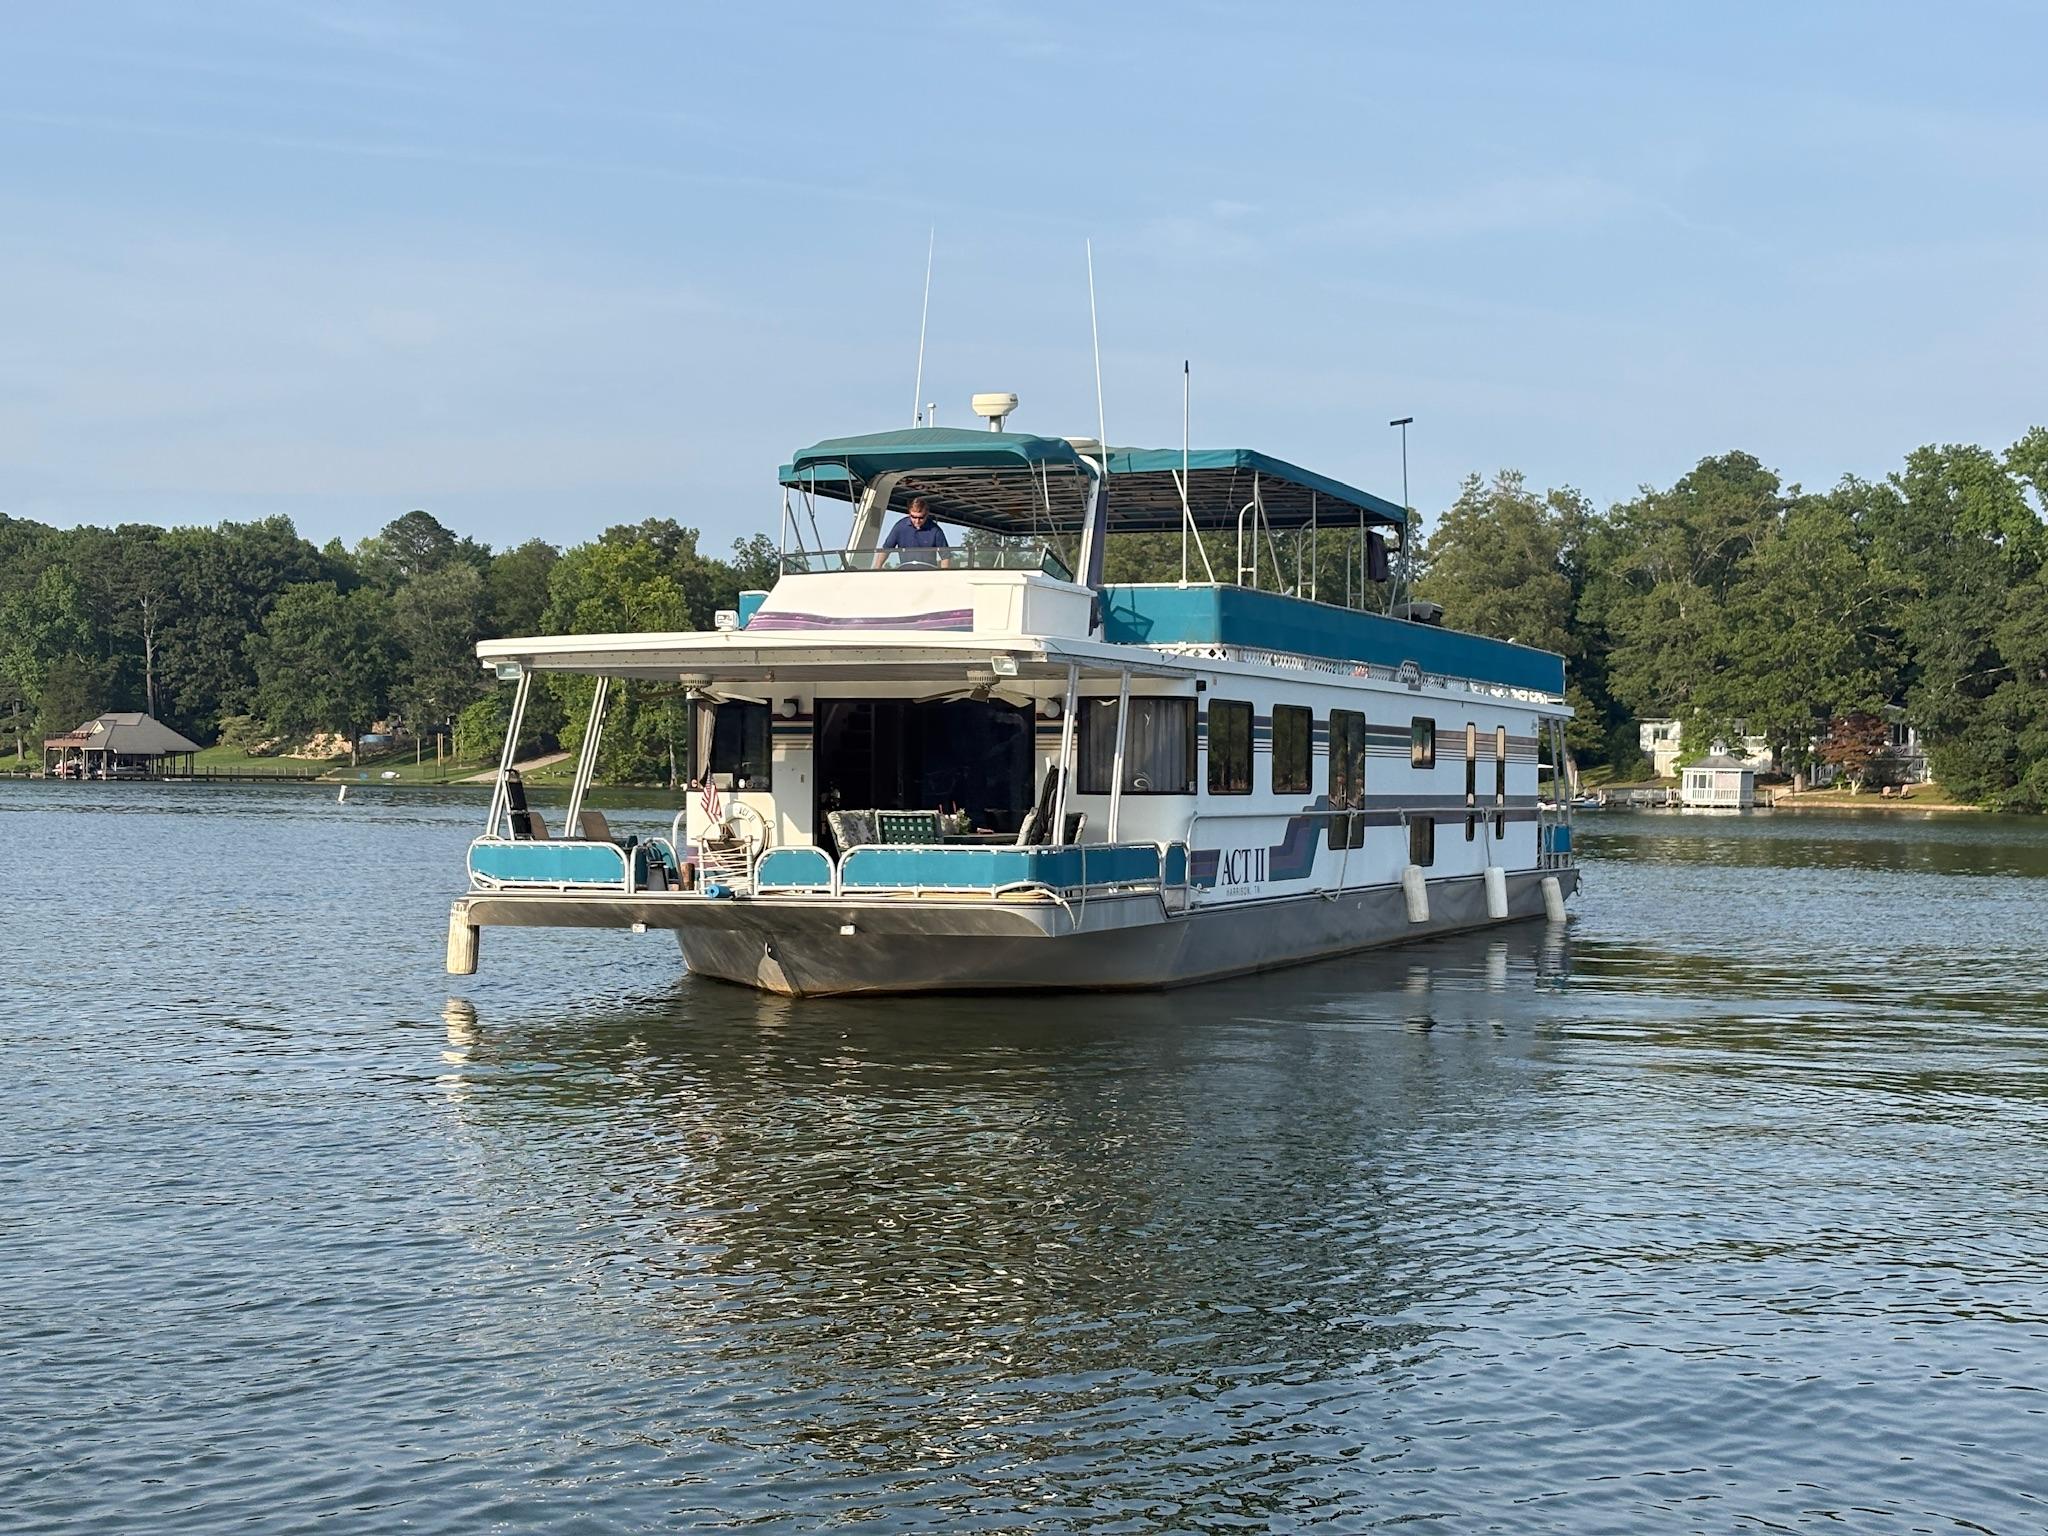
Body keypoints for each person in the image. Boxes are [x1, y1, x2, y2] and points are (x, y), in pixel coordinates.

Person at [878, 495, 950, 566]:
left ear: (927, 514)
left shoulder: (935, 530)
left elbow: (945, 556)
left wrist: (944, 575)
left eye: (921, 517)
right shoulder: (900, 527)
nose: (917, 521)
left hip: (928, 573)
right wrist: (877, 568)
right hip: (906, 572)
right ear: (909, 513)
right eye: (914, 517)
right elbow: (886, 549)